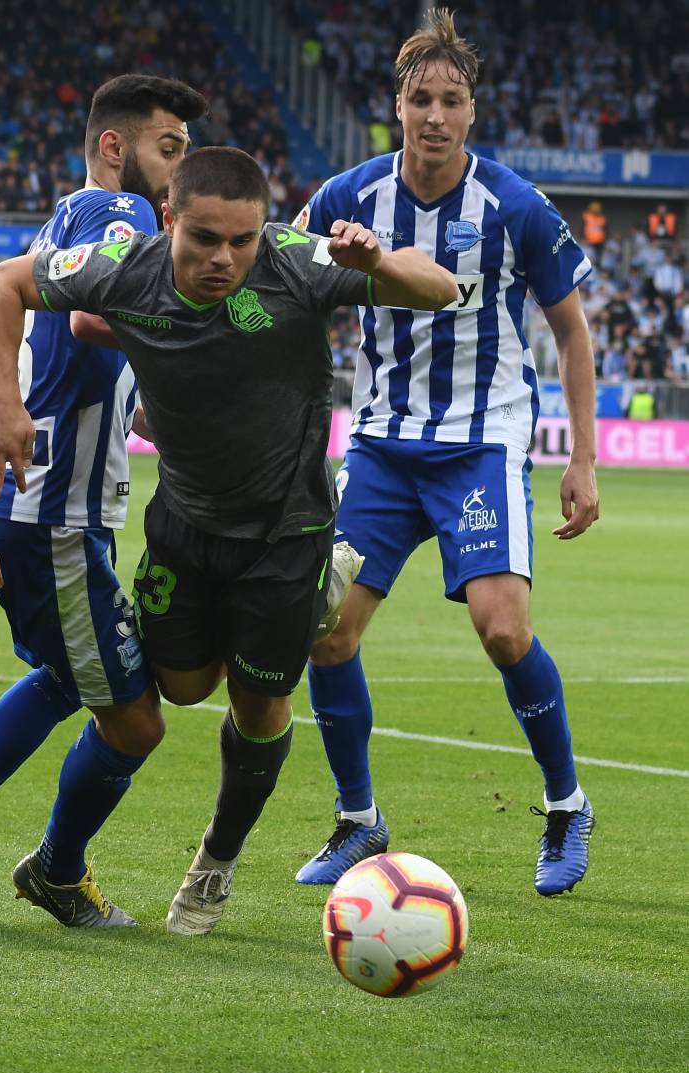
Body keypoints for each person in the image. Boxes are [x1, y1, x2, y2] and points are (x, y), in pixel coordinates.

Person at [0, 145, 457, 935]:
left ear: (264, 230)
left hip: (285, 536)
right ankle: (303, 612)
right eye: (204, 238)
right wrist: (4, 399)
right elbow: (5, 282)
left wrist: (378, 262)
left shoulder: (301, 262)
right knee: (184, 689)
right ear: (167, 220)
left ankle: (216, 862)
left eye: (242, 240)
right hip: (186, 529)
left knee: (260, 703)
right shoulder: (122, 266)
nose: (224, 258)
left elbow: (438, 289)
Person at [292, 8, 600, 897]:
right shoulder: (349, 196)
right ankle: (359, 822)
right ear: (397, 106)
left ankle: (565, 804)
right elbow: (283, 278)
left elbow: (571, 335)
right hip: (384, 448)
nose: (434, 114)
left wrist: (581, 461)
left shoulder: (514, 205)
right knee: (326, 629)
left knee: (503, 630)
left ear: (472, 112)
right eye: (420, 98)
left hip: (483, 444)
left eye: (450, 100)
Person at [0, 74, 208, 927]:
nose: (176, 171)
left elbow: (92, 344)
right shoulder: (124, 216)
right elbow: (92, 323)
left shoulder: (76, 217)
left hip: (32, 509)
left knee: (67, 678)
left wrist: (152, 409)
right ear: (116, 147)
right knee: (137, 722)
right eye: (167, 149)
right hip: (50, 515)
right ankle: (57, 872)